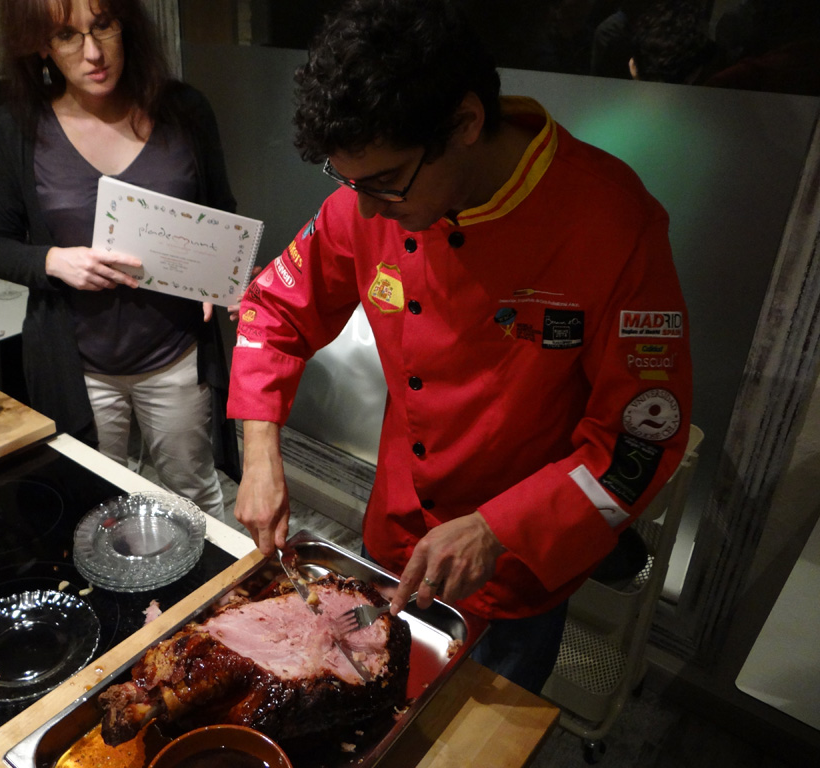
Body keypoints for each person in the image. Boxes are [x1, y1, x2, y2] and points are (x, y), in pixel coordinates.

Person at [227, 0, 692, 694]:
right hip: (392, 539)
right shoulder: (369, 201)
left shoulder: (611, 222)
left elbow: (640, 440)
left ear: (467, 124)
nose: (370, 208)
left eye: (385, 183)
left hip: (519, 566)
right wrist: (259, 455)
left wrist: (500, 528)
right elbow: (272, 312)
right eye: (350, 183)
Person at [0, 0, 241, 520]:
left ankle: (210, 598)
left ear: (127, 25)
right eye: (68, 36)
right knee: (97, 507)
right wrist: (52, 260)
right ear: (42, 47)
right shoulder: (20, 127)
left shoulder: (184, 110)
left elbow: (219, 212)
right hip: (80, 366)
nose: (93, 53)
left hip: (175, 354)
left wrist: (216, 275)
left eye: (103, 27)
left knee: (198, 497)